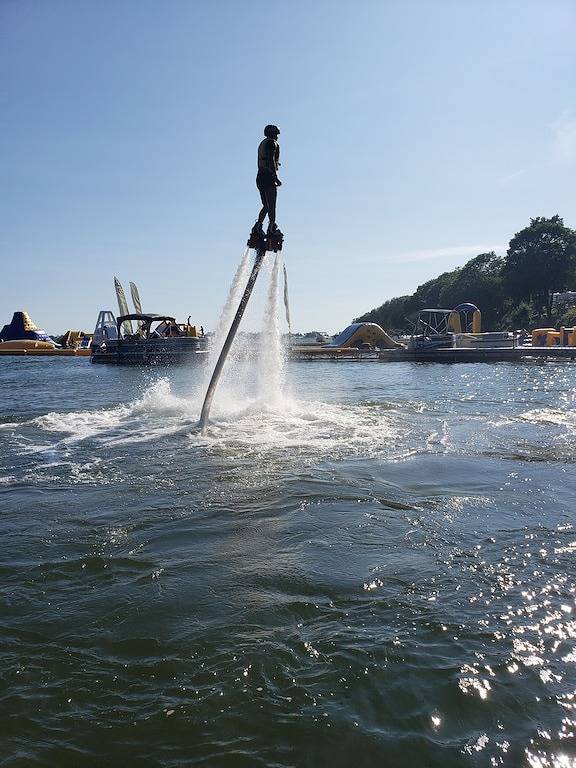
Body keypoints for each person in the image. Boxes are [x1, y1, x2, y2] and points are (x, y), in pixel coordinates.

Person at [254, 124, 282, 235]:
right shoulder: (272, 143)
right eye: (276, 134)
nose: (277, 137)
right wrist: (275, 177)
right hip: (268, 176)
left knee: (266, 205)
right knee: (272, 203)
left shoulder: (262, 144)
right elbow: (270, 160)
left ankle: (258, 225)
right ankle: (271, 227)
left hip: (260, 176)